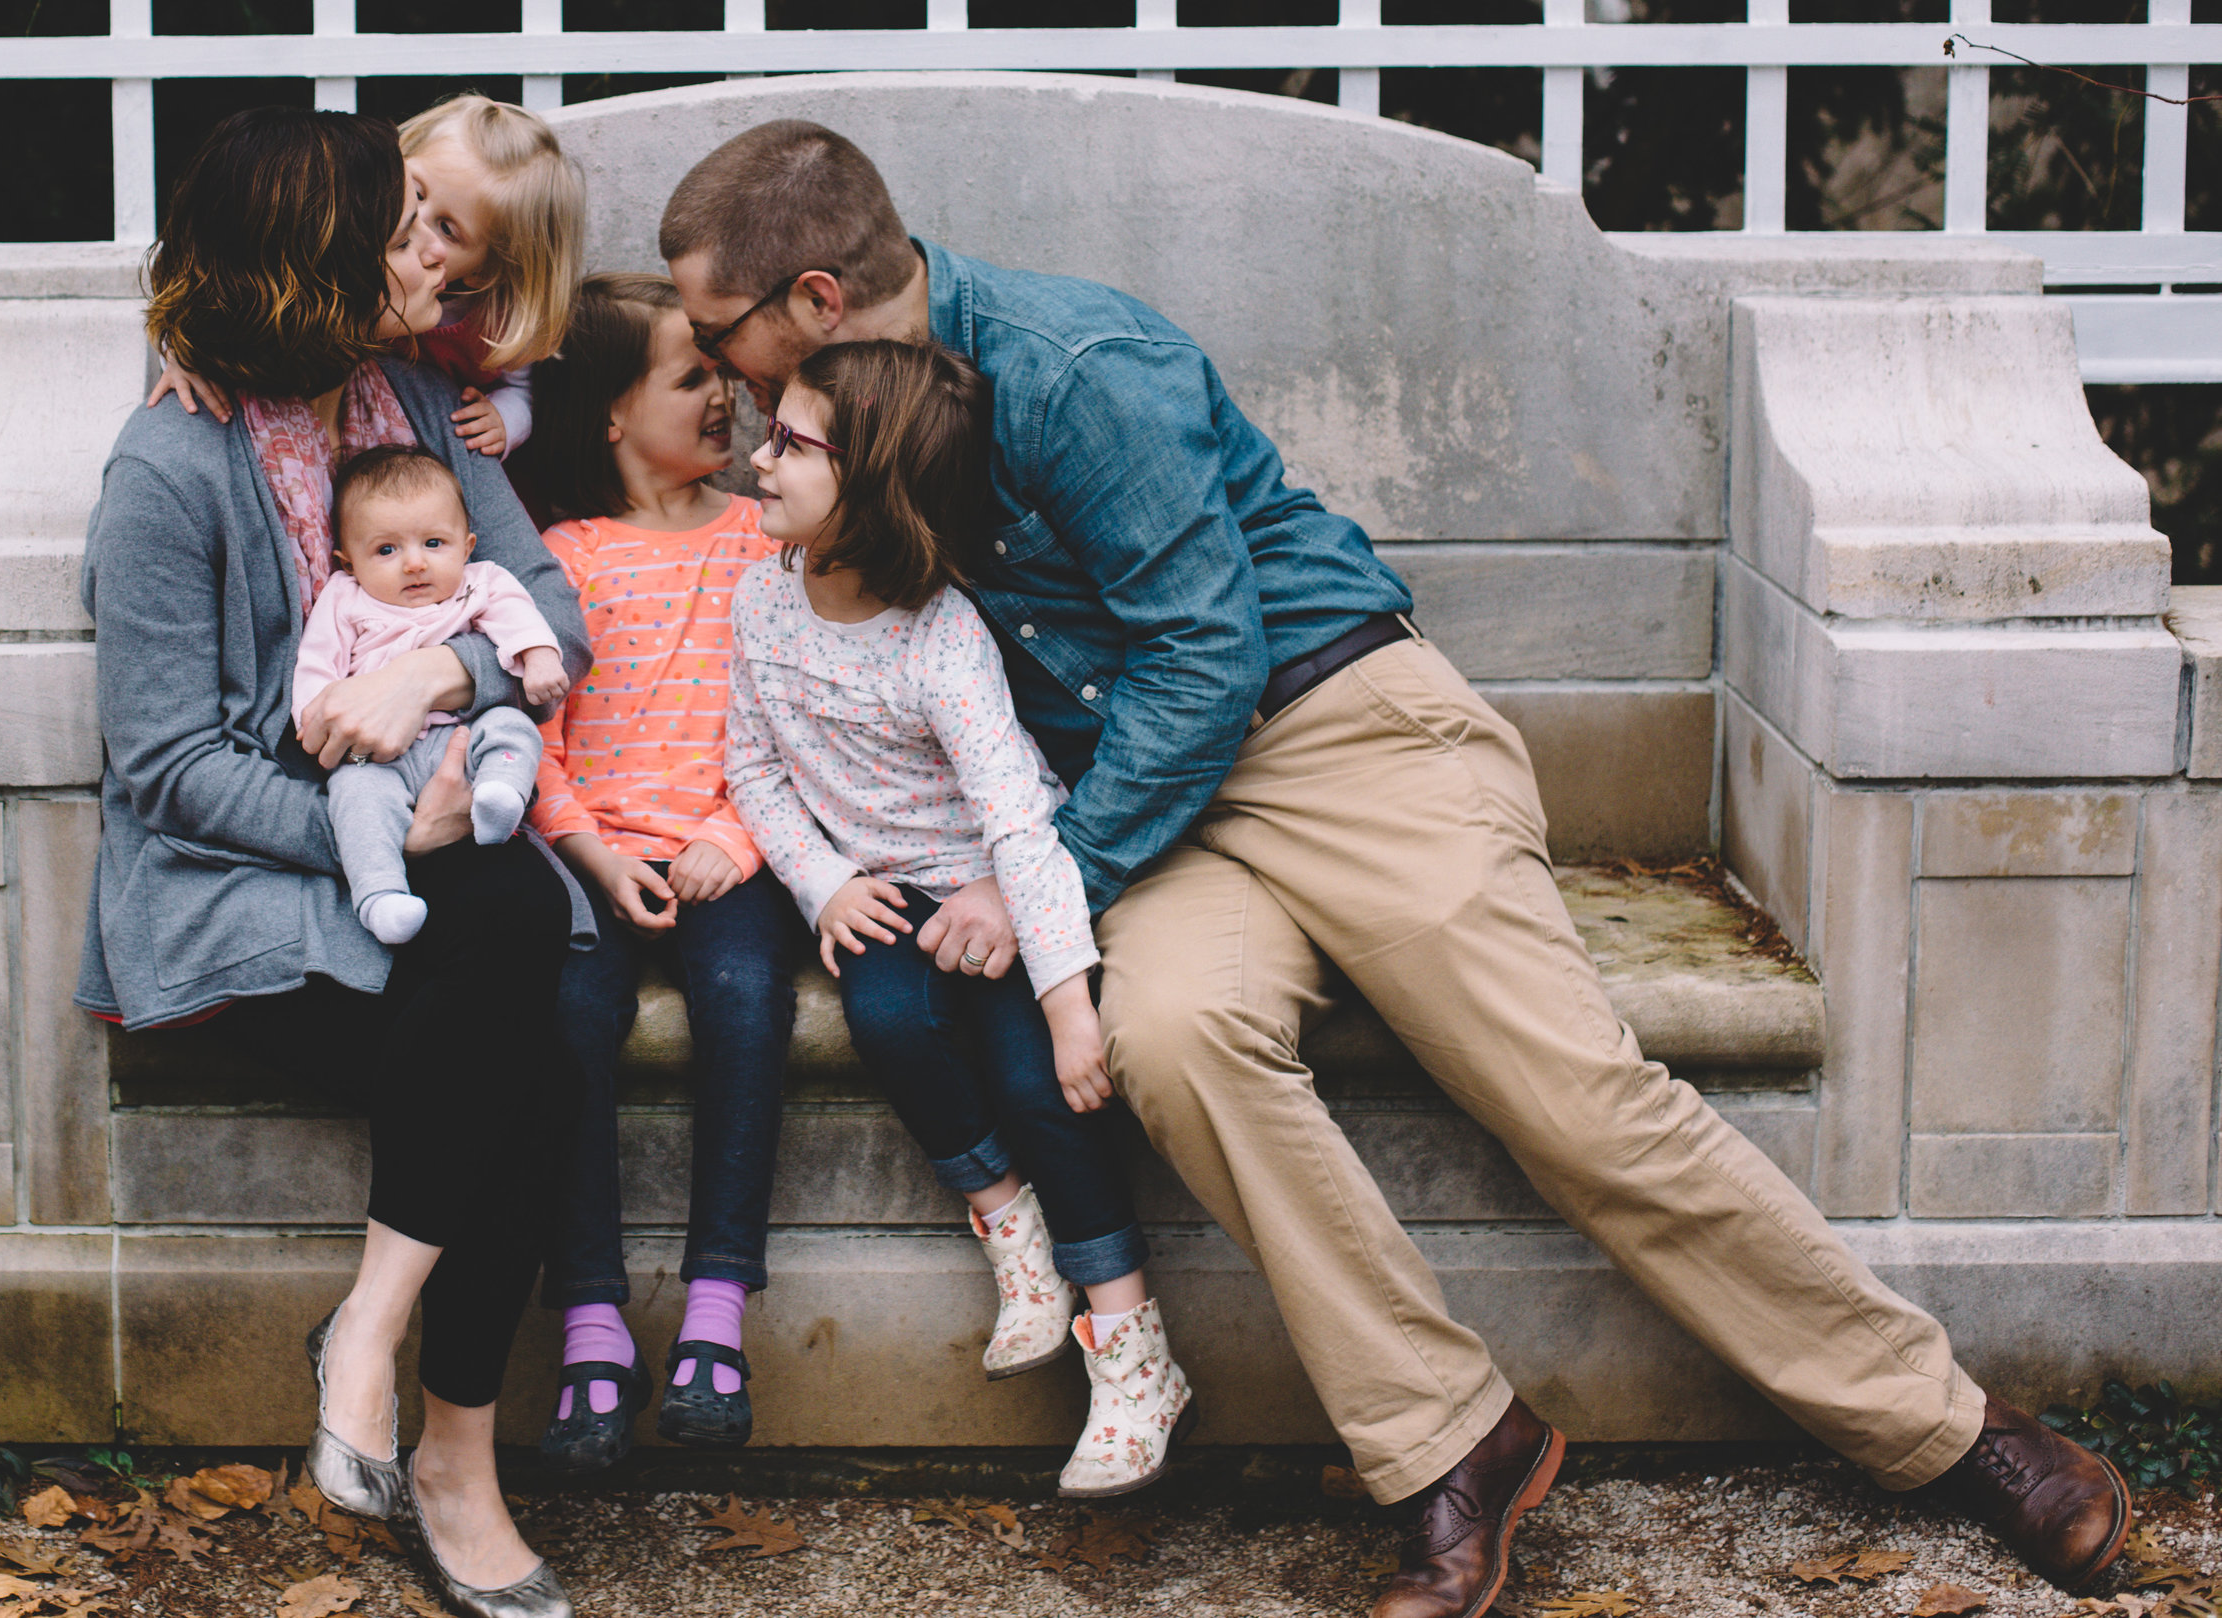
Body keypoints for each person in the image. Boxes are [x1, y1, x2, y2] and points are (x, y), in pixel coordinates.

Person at [659, 118, 2134, 1616]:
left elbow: (1206, 650)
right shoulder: (835, 425)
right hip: (1153, 804)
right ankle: (1453, 1440)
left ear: (821, 301)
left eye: (722, 334)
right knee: (1175, 1040)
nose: (716, 374)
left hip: (1335, 730)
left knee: (1570, 1092)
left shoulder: (1070, 368)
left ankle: (1948, 1428)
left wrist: (1050, 867)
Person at [79, 106, 592, 1618]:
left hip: (425, 855)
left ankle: (371, 1333)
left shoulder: (411, 403)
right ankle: (454, 1457)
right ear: (315, 269)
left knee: (508, 945)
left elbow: (551, 613)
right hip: (236, 877)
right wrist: (367, 827)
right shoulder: (167, 469)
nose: (425, 261)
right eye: (396, 233)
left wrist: (448, 682)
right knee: (537, 1033)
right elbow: (170, 768)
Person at [725, 337, 1196, 1499]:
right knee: (886, 1013)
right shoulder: (758, 595)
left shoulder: (940, 638)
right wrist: (820, 883)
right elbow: (755, 772)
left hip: (997, 878)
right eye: (769, 431)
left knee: (1041, 1082)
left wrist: (1069, 1001)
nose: (758, 457)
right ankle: (1005, 1221)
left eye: (791, 443)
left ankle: (1134, 1353)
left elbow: (1017, 825)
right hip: (881, 889)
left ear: (874, 488)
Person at [521, 273, 804, 1470]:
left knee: (747, 1000)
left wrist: (732, 842)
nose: (729, 398)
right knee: (570, 1014)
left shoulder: (768, 538)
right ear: (606, 415)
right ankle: (592, 1324)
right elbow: (529, 738)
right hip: (588, 853)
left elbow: (797, 718)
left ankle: (714, 1316)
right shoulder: (558, 559)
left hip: (727, 853)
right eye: (694, 378)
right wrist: (584, 846)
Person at [151, 92, 585, 462]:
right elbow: (204, 274)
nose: (425, 236)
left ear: (485, 271)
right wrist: (184, 354)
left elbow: (524, 392)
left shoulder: (492, 323)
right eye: (414, 197)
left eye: (448, 230)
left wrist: (503, 422)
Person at [294, 443, 572, 944]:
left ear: (467, 546)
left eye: (434, 543)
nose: (414, 564)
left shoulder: (479, 582)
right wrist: (314, 719)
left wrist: (539, 657)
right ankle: (381, 897)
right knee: (353, 796)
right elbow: (317, 663)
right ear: (348, 562)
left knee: (512, 727)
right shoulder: (344, 598)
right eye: (386, 550)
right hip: (378, 757)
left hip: (462, 735)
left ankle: (499, 795)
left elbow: (520, 616)